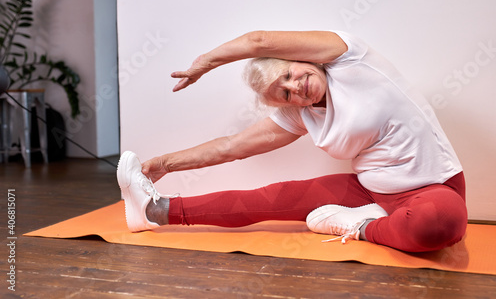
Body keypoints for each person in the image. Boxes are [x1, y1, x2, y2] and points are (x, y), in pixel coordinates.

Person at [117, 30, 467, 253]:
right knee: (269, 199)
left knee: (439, 222)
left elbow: (259, 42)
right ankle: (156, 211)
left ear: (300, 59)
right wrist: (161, 164)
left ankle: (361, 226)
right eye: (283, 93)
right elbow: (231, 147)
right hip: (368, 191)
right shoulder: (300, 113)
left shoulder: (350, 59)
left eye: (288, 73)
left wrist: (206, 62)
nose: (295, 87)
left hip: (430, 187)